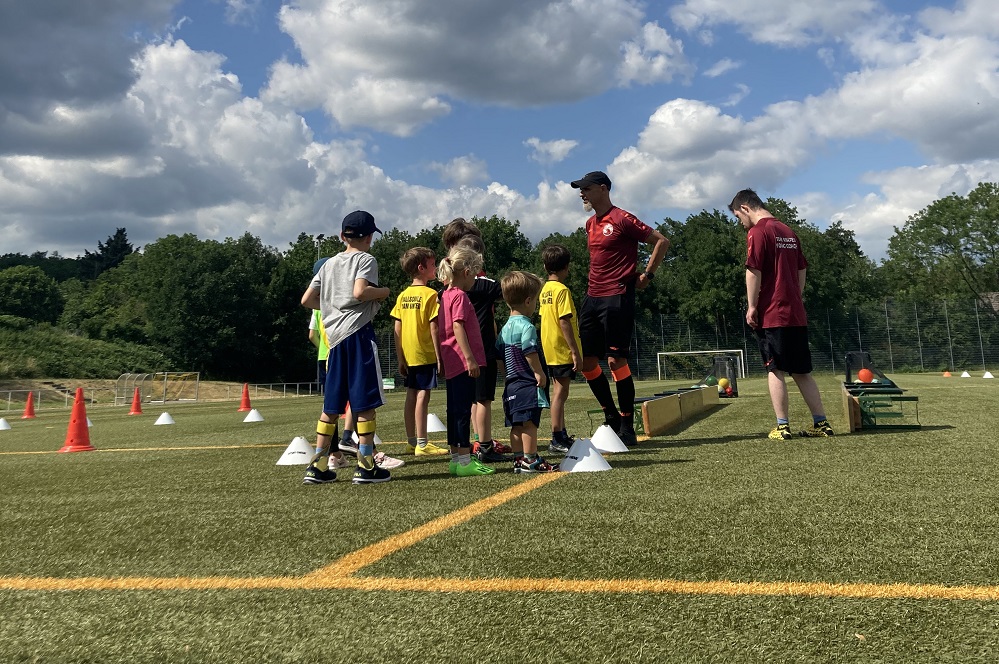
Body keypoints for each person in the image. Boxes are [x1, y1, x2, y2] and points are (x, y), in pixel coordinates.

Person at [570, 170, 669, 446]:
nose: (582, 193)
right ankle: (610, 415)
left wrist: (647, 276)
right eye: (581, 189)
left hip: (618, 297)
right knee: (588, 362)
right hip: (592, 298)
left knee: (615, 361)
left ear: (602, 189)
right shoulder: (590, 224)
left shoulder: (623, 218)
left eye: (586, 188)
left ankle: (627, 423)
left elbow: (661, 240)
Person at [728, 188, 834, 440]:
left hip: (772, 313)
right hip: (795, 313)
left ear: (745, 208)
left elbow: (753, 270)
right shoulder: (788, 231)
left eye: (737, 217)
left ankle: (782, 426)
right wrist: (794, 296)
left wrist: (752, 306)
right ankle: (822, 425)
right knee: (802, 371)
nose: (741, 224)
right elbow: (801, 270)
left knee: (774, 368)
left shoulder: (758, 231)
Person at [301, 210, 393, 485]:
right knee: (364, 403)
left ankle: (317, 466)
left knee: (331, 405)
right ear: (369, 238)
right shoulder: (366, 259)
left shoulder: (328, 265)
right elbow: (359, 292)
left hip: (334, 340)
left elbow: (307, 300)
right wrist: (384, 292)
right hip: (358, 335)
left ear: (342, 236)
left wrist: (331, 307)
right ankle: (366, 466)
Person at [442, 219, 511, 463]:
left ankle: (469, 446)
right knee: (483, 399)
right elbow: (510, 290)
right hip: (477, 351)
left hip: (455, 353)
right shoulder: (480, 285)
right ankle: (483, 446)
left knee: (466, 402)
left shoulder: (446, 289)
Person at [437, 245, 496, 477]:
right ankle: (464, 460)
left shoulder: (445, 294)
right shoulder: (460, 296)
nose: (476, 279)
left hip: (451, 360)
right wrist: (470, 358)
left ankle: (455, 458)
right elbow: (458, 326)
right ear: (466, 272)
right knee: (462, 410)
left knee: (454, 410)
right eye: (475, 274)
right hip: (462, 362)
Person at [497, 271, 557, 473]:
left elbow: (499, 355)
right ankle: (531, 459)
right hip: (526, 383)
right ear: (529, 300)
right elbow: (529, 351)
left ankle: (518, 459)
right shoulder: (527, 326)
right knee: (530, 423)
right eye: (536, 302)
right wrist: (539, 373)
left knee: (516, 424)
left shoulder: (504, 328)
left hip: (511, 384)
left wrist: (506, 374)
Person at [390, 247, 448, 457]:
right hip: (425, 352)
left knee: (411, 395)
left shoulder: (403, 296)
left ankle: (411, 441)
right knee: (423, 395)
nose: (435, 268)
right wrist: (440, 356)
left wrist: (400, 357)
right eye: (433, 265)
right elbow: (434, 327)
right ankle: (423, 444)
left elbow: (397, 328)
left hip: (409, 353)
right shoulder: (431, 295)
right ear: (422, 268)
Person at [539, 244, 582, 455]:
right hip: (561, 348)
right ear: (566, 267)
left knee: (559, 390)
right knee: (560, 393)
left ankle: (561, 433)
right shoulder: (562, 290)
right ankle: (556, 436)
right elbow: (564, 320)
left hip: (549, 346)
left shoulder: (544, 289)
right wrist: (574, 350)